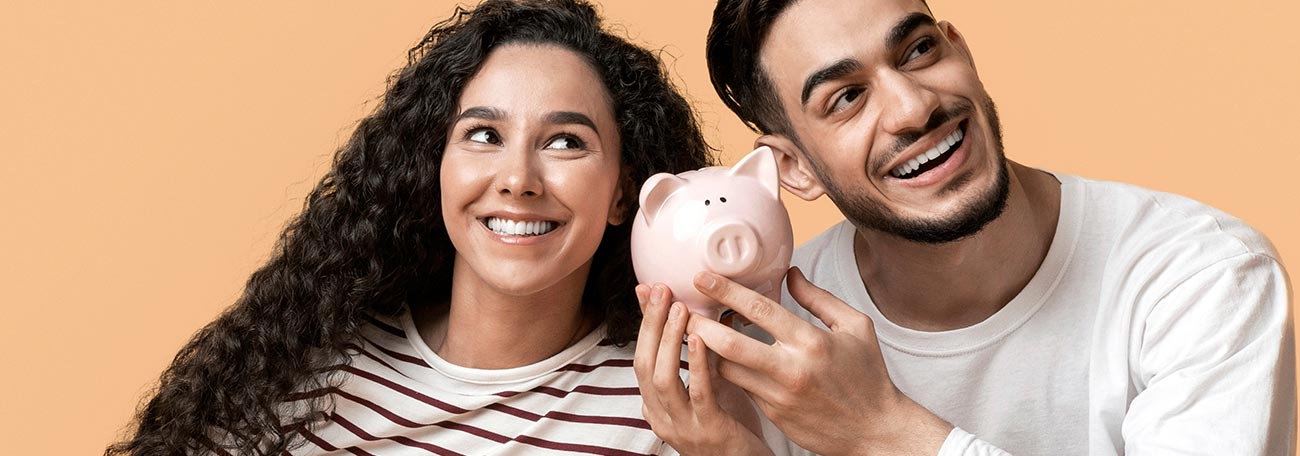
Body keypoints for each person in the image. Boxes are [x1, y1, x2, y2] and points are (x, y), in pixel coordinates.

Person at [636, 0, 1295, 454]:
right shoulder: (772, 343)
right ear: (791, 167)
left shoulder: (1202, 275)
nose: (914, 107)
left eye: (919, 50)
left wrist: (885, 434)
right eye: (846, 97)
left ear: (962, 51)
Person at [105, 0, 720, 454]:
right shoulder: (308, 368)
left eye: (565, 141)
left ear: (623, 192)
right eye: (483, 135)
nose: (518, 179)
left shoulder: (672, 398)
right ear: (435, 167)